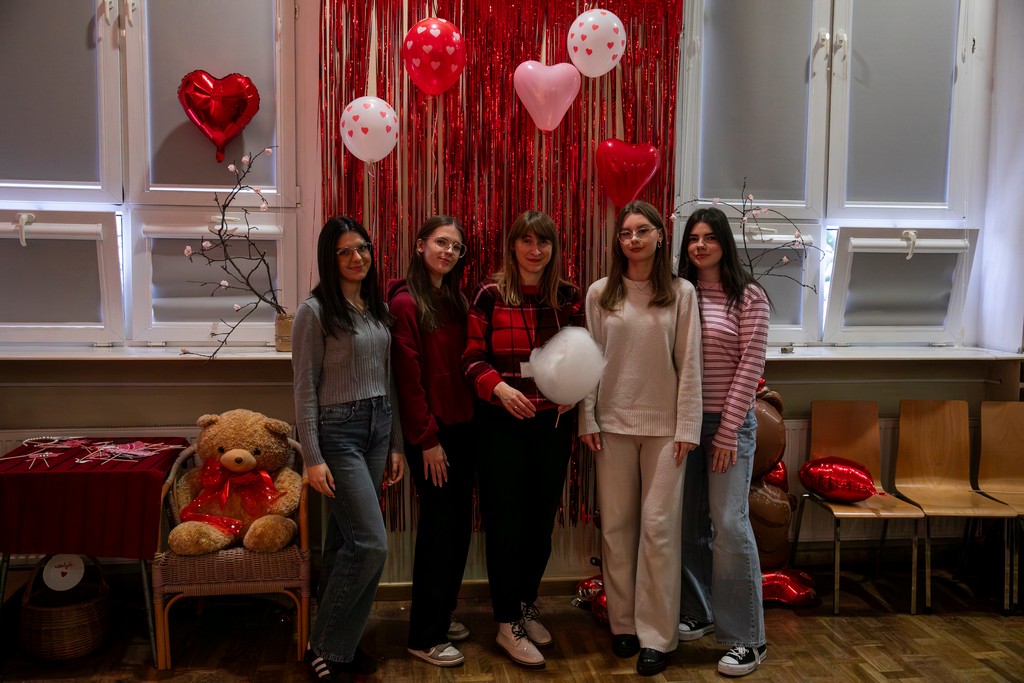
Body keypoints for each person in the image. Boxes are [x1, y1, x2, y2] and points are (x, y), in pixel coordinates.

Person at [579, 201, 703, 677]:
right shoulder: (600, 294)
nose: (633, 239)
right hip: (611, 426)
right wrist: (587, 418)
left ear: (659, 236)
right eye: (626, 232)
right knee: (616, 528)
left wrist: (688, 426)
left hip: (666, 432)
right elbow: (589, 360)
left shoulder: (681, 292)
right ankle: (624, 625)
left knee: (658, 529)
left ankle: (657, 635)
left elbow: (689, 363)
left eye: (642, 230)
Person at [462, 210, 584, 669]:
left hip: (552, 426)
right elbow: (471, 359)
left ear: (554, 248)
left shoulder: (569, 296)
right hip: (502, 424)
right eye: (526, 241)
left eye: (543, 242)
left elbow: (583, 355)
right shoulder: (489, 294)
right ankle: (506, 621)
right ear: (512, 246)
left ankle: (527, 603)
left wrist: (574, 390)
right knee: (505, 524)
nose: (535, 250)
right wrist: (499, 387)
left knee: (540, 523)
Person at [292, 216, 406, 680]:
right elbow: (304, 387)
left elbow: (388, 378)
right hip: (338, 433)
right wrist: (312, 456)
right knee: (371, 544)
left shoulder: (376, 308)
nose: (357, 258)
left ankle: (340, 644)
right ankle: (322, 645)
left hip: (379, 427)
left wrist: (396, 443)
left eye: (362, 248)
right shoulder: (314, 311)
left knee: (345, 543)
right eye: (345, 251)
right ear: (330, 257)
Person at [676, 206, 771, 677]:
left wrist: (728, 430)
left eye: (710, 237)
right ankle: (699, 610)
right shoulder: (680, 293)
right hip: (684, 425)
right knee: (687, 524)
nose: (700, 245)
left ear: (724, 243)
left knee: (730, 526)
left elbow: (750, 367)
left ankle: (748, 638)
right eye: (693, 238)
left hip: (728, 427)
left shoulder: (748, 297)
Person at [387, 216, 476, 668]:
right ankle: (424, 635)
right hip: (432, 436)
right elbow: (409, 380)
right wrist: (426, 440)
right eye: (442, 243)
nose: (448, 252)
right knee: (439, 532)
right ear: (421, 245)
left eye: (456, 247)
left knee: (458, 529)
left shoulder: (456, 300)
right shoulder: (405, 303)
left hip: (464, 429)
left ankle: (442, 613)